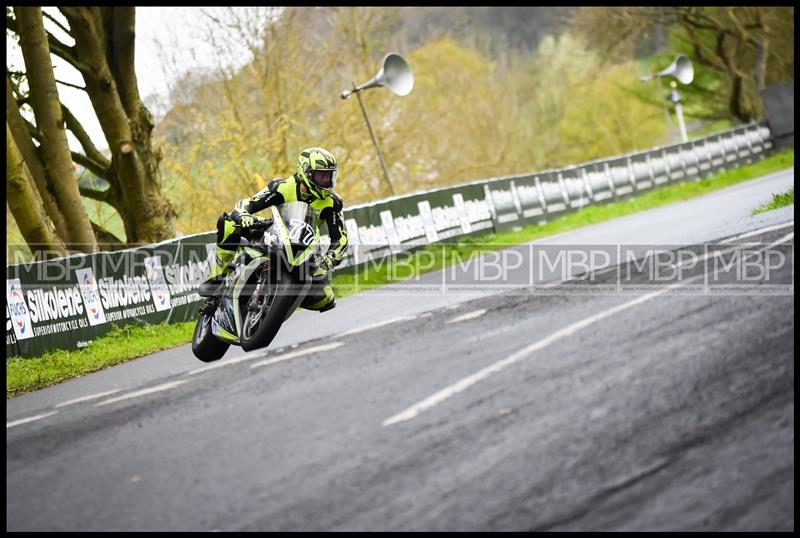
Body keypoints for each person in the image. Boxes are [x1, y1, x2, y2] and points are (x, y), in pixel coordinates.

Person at [198, 147, 348, 314]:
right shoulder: (283, 186)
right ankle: (219, 277)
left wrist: (330, 258)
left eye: (329, 176)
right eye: (322, 175)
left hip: (306, 248)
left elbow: (341, 239)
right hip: (275, 232)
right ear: (307, 172)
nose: (326, 181)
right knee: (229, 224)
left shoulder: (333, 202)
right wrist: (243, 215)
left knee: (326, 299)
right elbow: (247, 203)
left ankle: (280, 300)